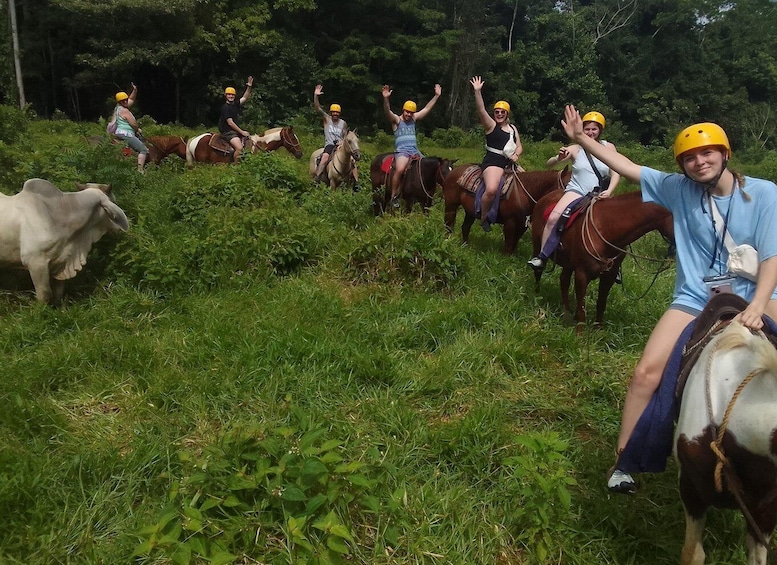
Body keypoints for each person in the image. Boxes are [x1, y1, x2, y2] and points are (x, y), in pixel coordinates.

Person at [559, 105, 777, 494]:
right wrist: (581, 140)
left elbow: (772, 256)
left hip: (758, 295)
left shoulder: (762, 193)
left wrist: (759, 306)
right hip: (695, 297)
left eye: (706, 153)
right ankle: (624, 461)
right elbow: (626, 166)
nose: (698, 162)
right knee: (646, 373)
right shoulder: (677, 189)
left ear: (725, 153)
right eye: (689, 158)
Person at [528, 111, 620, 270]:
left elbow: (616, 171)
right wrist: (559, 157)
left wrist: (610, 190)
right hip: (576, 192)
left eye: (594, 129)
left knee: (619, 226)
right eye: (587, 129)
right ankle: (542, 256)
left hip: (601, 194)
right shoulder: (576, 148)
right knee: (553, 218)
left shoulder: (608, 147)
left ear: (600, 130)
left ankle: (615, 266)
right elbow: (549, 164)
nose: (590, 132)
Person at [470, 76, 523, 232]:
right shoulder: (491, 126)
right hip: (493, 162)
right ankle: (484, 216)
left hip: (510, 163)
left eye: (502, 112)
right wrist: (478, 92)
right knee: (492, 189)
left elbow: (519, 146)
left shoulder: (513, 128)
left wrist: (516, 155)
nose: (499, 114)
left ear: (507, 114)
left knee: (527, 184)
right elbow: (481, 110)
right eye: (497, 112)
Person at [382, 83, 441, 209]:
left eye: (411, 113)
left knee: (430, 167)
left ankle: (429, 194)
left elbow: (426, 109)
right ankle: (394, 196)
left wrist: (436, 96)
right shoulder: (397, 120)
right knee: (400, 169)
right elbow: (388, 112)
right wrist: (386, 98)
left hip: (414, 151)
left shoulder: (414, 119)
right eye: (407, 112)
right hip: (402, 151)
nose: (409, 114)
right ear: (403, 110)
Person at [312, 84, 359, 189]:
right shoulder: (326, 119)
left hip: (340, 145)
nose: (335, 114)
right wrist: (316, 96)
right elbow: (317, 108)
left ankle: (356, 182)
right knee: (324, 157)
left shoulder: (343, 123)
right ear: (331, 112)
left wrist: (342, 142)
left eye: (337, 113)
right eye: (333, 112)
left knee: (352, 160)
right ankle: (317, 176)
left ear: (339, 113)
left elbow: (344, 136)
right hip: (329, 144)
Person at [112, 83, 148, 173]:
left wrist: (134, 91)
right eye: (123, 101)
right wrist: (138, 129)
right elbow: (134, 124)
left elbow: (131, 99)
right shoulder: (125, 111)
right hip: (126, 134)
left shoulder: (118, 108)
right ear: (120, 102)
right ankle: (140, 171)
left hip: (119, 132)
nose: (125, 101)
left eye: (126, 100)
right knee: (144, 150)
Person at [218, 76, 254, 163]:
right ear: (225, 95)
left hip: (234, 131)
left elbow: (244, 98)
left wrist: (249, 86)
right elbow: (230, 123)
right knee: (240, 148)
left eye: (232, 95)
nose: (231, 96)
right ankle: (235, 167)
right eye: (229, 94)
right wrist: (242, 132)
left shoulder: (234, 104)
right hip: (228, 132)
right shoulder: (225, 108)